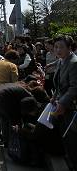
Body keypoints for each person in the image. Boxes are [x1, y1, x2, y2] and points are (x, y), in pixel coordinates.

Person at [51, 35, 77, 170]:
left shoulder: (74, 62)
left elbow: (74, 88)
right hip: (61, 104)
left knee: (72, 138)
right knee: (65, 136)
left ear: (69, 48)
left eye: (61, 47)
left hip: (71, 106)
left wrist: (61, 102)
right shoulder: (61, 61)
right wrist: (54, 96)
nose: (58, 50)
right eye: (56, 47)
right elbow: (59, 84)